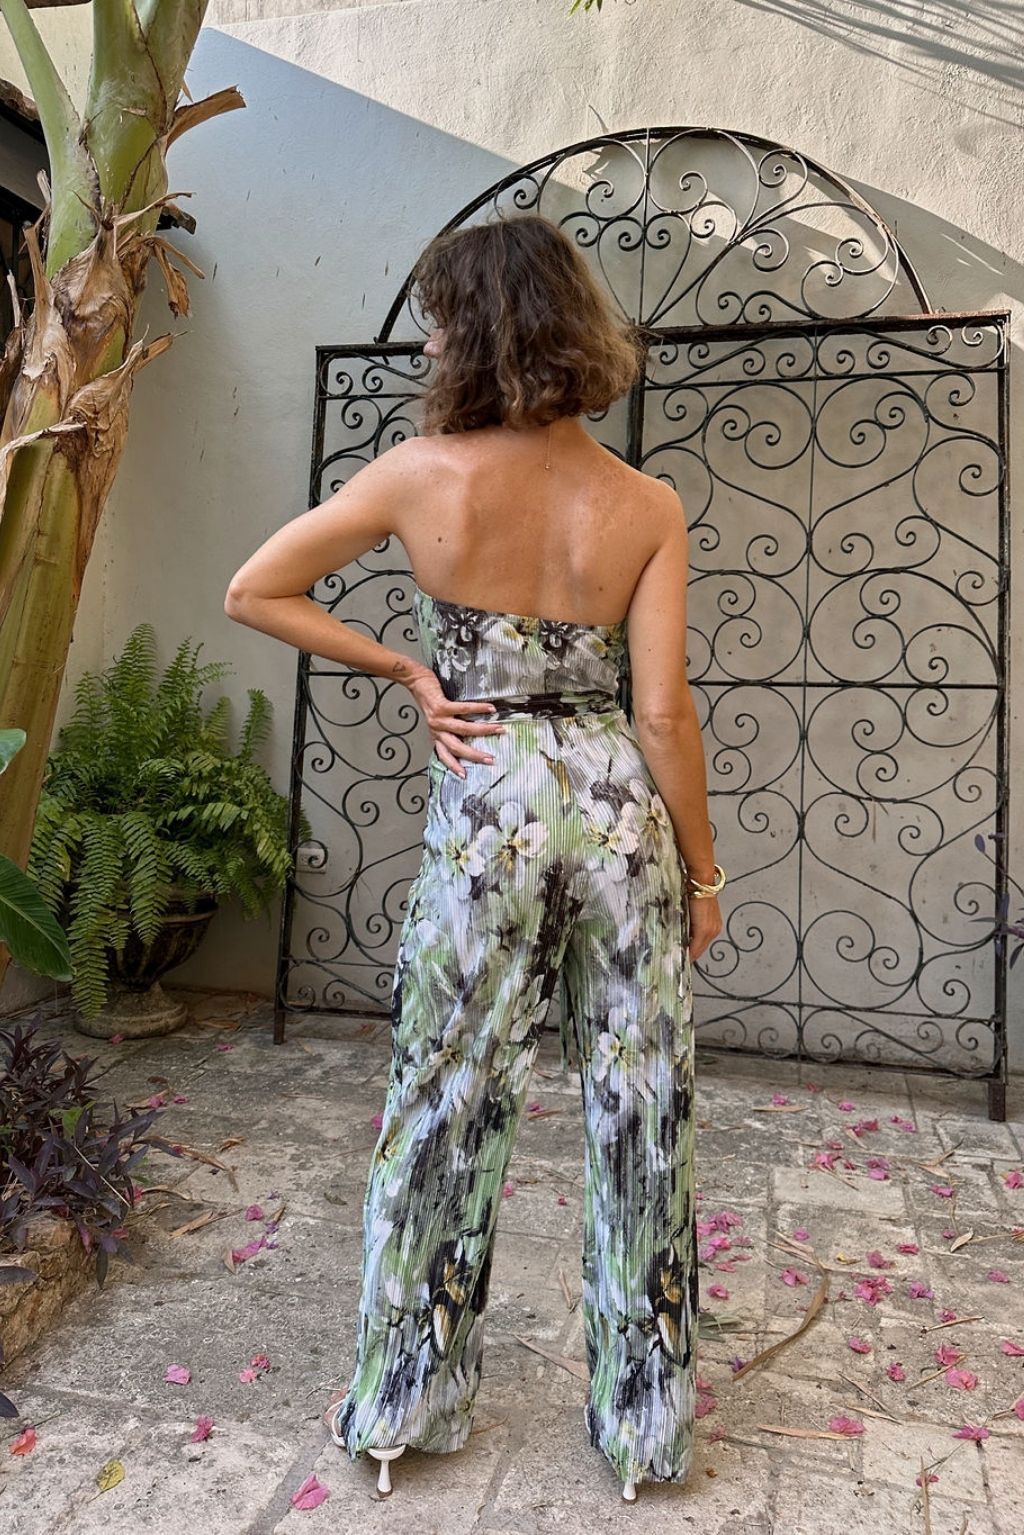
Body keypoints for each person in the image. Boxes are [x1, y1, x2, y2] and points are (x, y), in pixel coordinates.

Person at [224, 211, 723, 1502]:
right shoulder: (647, 503)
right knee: (640, 1106)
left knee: (448, 1092)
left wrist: (409, 669)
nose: (433, 341)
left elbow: (254, 591)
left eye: (443, 320)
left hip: (490, 794)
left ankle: (404, 1406)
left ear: (475, 331)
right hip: (616, 805)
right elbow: (664, 713)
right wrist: (704, 873)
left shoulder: (419, 475)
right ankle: (644, 1432)